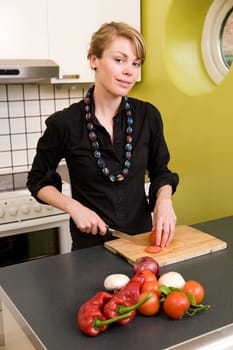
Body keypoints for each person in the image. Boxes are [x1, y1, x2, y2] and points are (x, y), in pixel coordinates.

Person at [27, 21, 179, 250]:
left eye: (136, 63)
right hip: (90, 250)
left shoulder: (148, 116)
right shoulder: (64, 123)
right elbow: (38, 181)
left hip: (141, 244)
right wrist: (73, 207)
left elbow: (161, 172)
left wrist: (164, 201)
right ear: (93, 60)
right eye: (119, 60)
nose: (130, 71)